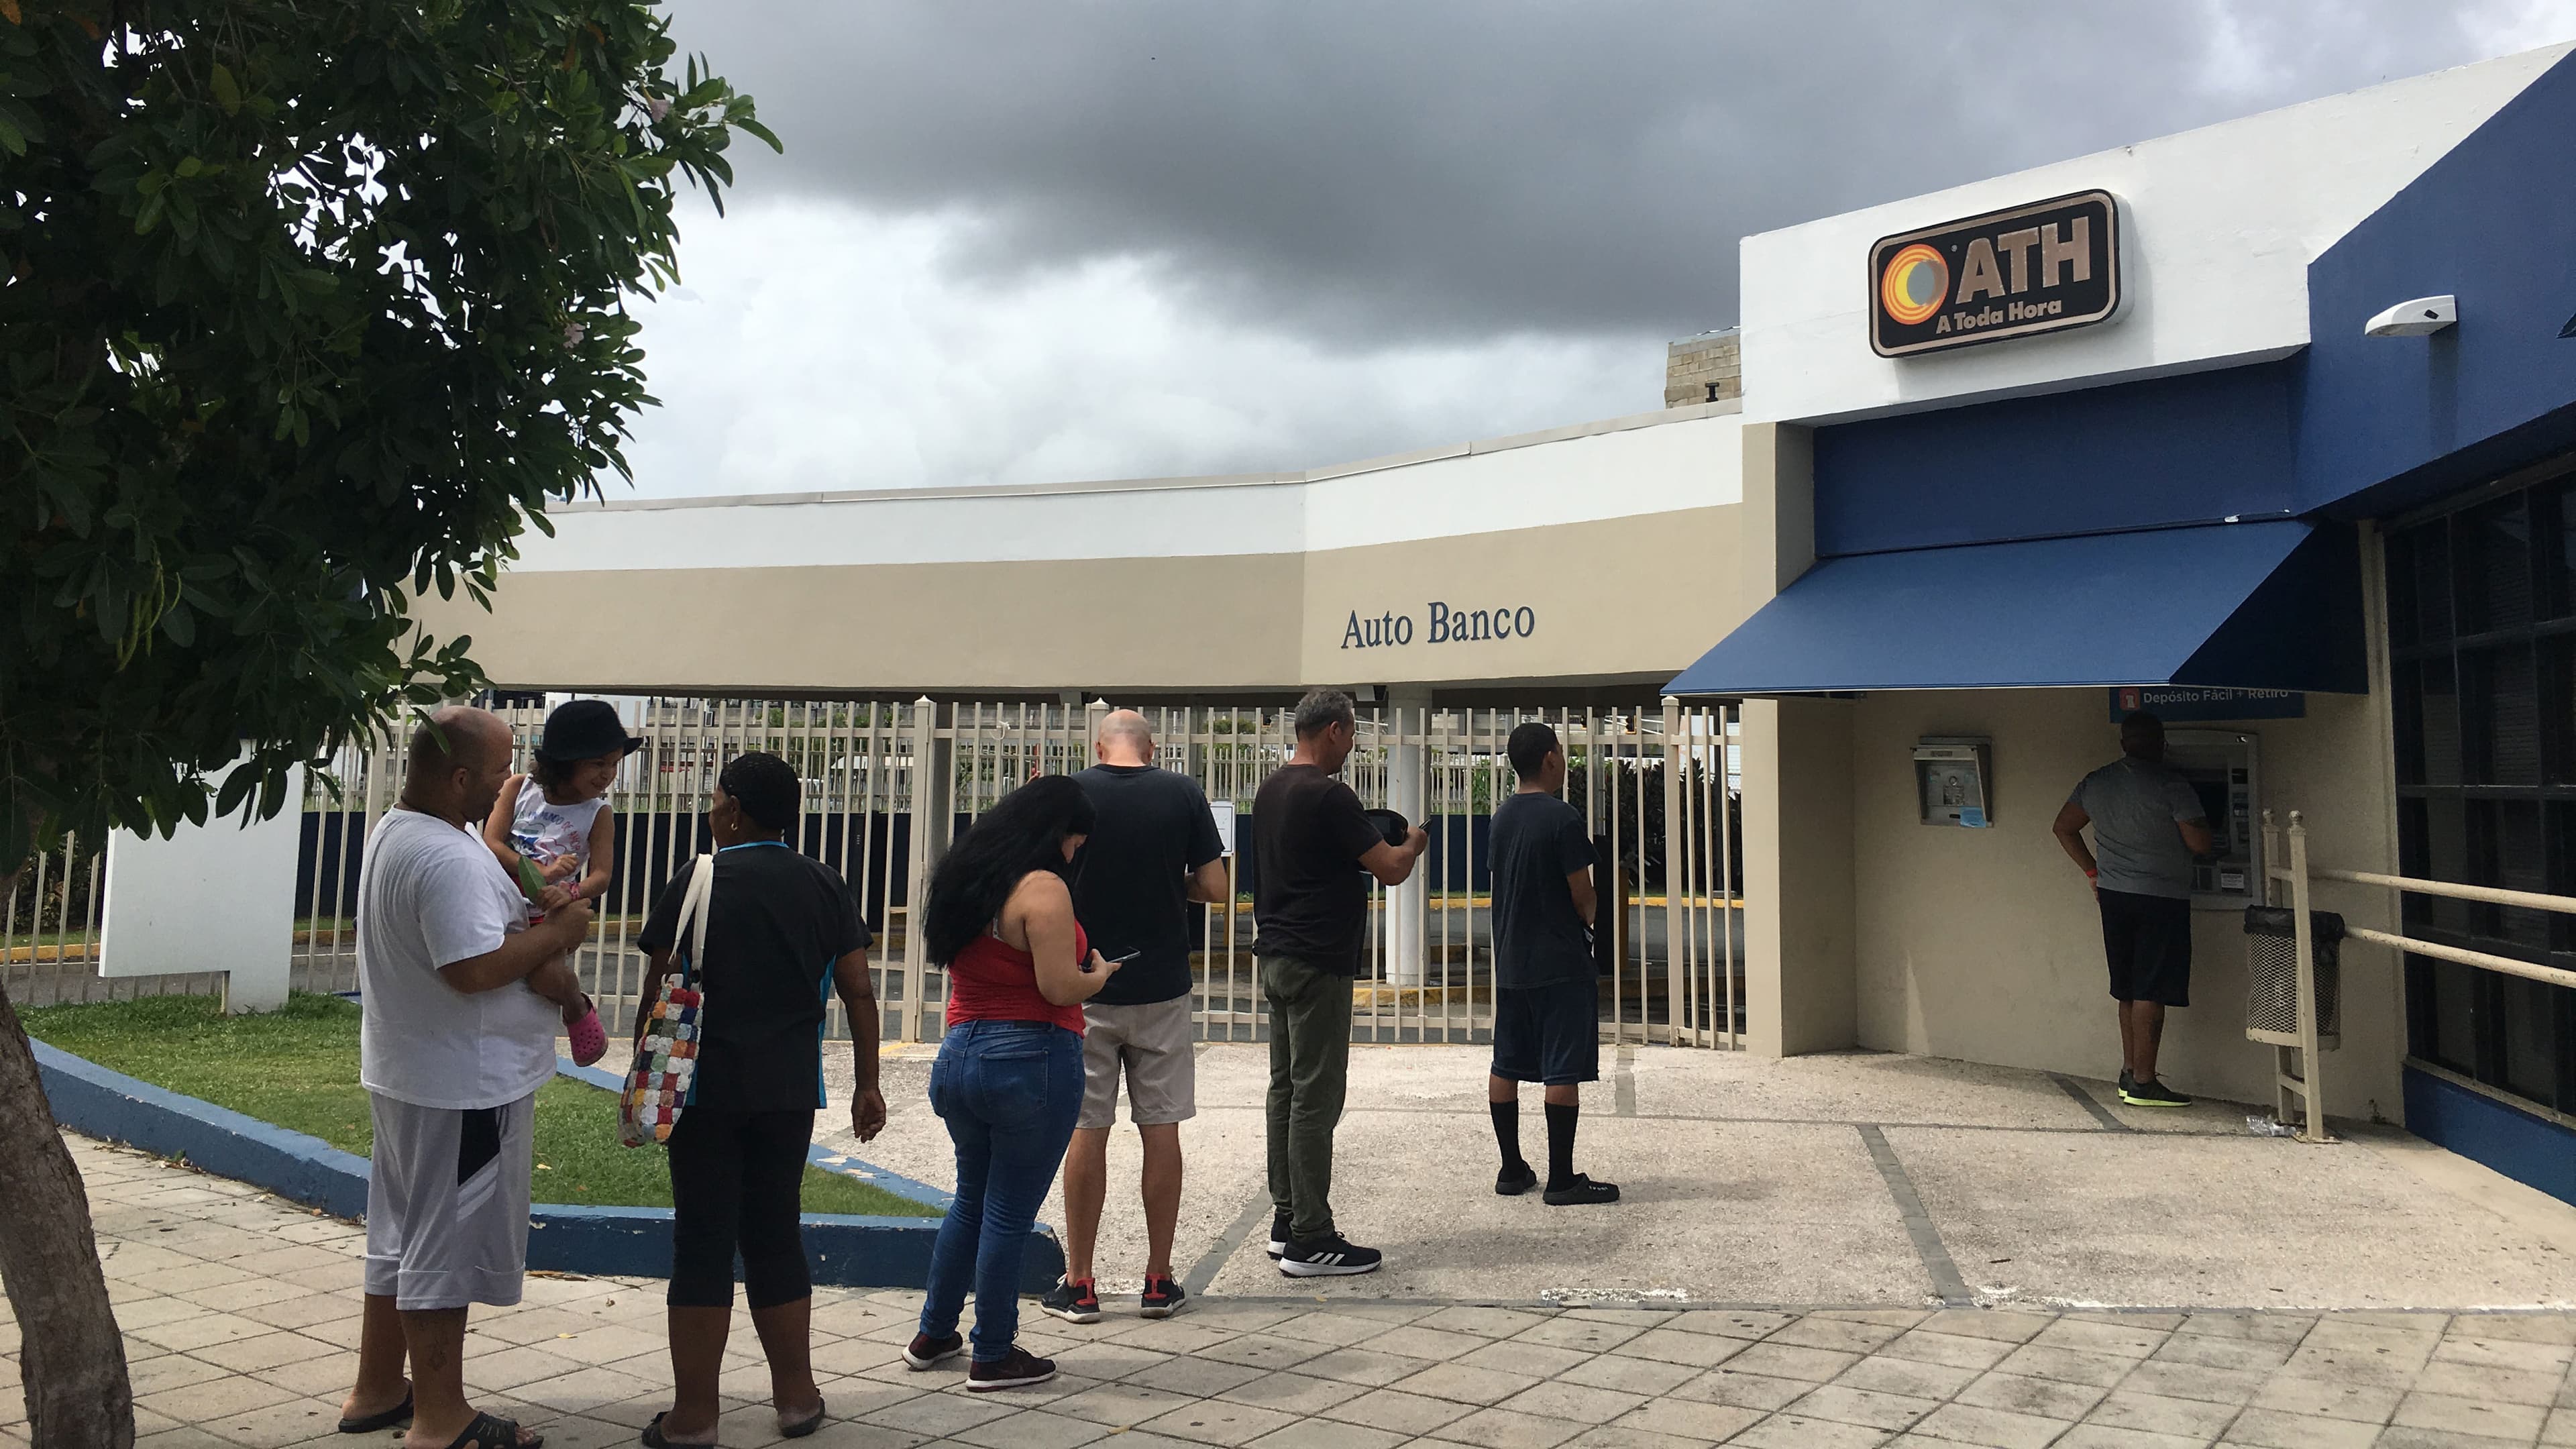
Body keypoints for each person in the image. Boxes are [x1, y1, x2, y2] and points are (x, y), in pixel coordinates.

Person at [340, 706, 593, 1449]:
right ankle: (442, 1419)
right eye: (495, 772)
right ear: (458, 778)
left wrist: (528, 894)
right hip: (463, 1085)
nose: (508, 784)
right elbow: (472, 969)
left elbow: (475, 930)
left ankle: (380, 1385)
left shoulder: (407, 832)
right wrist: (560, 932)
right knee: (442, 1243)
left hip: (413, 1072)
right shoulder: (445, 855)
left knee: (401, 1231)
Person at [630, 752, 886, 1448]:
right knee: (776, 1233)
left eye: (716, 799)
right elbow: (857, 990)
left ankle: (694, 1418)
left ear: (735, 810)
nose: (711, 809)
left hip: (703, 1092)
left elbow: (659, 988)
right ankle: (798, 1399)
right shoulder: (824, 884)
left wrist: (640, 1076)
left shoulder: (699, 877)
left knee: (703, 1241)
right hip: (787, 1092)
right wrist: (868, 1081)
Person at [905, 776, 1122, 1390]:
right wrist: (1099, 975)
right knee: (1007, 1210)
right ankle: (993, 1351)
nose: (1078, 853)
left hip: (960, 1052)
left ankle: (934, 1332)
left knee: (970, 1200)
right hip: (1030, 1056)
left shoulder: (969, 877)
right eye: (1078, 841)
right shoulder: (1043, 889)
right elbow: (1059, 987)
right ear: (1062, 834)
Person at [1042, 710, 1230, 1324]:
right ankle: (1158, 1279)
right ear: (1153, 748)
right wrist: (1172, 885)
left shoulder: (1071, 794)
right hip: (1162, 986)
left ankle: (1082, 1282)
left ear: (1099, 747)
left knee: (1086, 1128)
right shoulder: (1182, 793)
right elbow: (1217, 886)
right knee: (1162, 1128)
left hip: (1084, 987)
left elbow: (1044, 877)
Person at [1251, 690, 1428, 1277]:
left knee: (1285, 1090)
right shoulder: (1329, 795)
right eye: (1351, 735)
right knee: (1317, 1096)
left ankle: (1286, 1216)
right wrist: (1415, 843)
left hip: (1275, 953)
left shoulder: (1272, 789)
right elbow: (1392, 869)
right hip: (1318, 959)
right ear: (1332, 730)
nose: (1352, 746)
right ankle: (1311, 1236)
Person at [2053, 710, 2215, 1109]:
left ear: (2124, 743)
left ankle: (2129, 1072)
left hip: (2114, 895)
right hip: (2161, 898)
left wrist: (2092, 871)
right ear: (2161, 743)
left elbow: (2063, 827)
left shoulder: (2096, 781)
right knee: (2152, 989)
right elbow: (2200, 844)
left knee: (2127, 986)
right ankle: (2145, 1082)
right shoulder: (2172, 785)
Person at [1486, 722, 1620, 1206]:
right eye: (1561, 751)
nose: (1564, 759)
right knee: (1562, 1066)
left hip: (1513, 961)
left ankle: (1511, 1166)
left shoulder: (1501, 818)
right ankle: (1562, 1178)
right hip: (1561, 960)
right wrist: (1589, 923)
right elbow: (1581, 891)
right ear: (1548, 758)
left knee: (1507, 1060)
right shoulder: (1562, 817)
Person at [481, 700, 637, 1065]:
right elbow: (491, 842)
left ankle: (575, 1006)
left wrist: (570, 890)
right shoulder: (519, 788)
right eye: (598, 764)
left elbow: (601, 874)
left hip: (548, 913)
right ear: (565, 762)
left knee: (545, 977)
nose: (608, 774)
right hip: (499, 901)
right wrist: (536, 871)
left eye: (614, 764)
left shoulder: (598, 814)